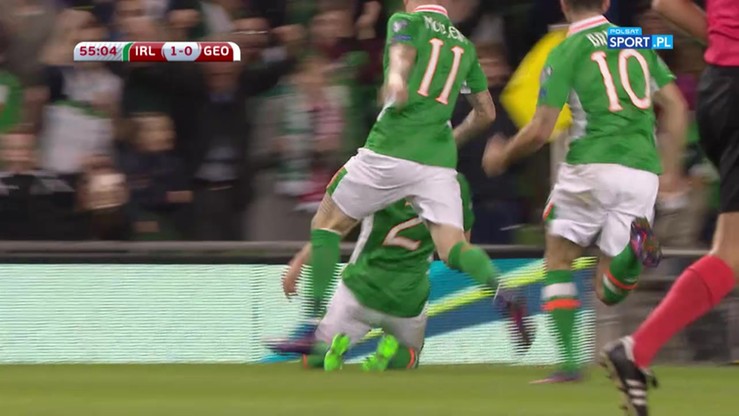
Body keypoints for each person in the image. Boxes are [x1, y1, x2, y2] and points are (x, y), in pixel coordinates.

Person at [481, 0, 688, 384]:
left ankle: (569, 365)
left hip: (590, 166)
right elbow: (676, 105)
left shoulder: (565, 50)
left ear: (563, 4)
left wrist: (502, 155)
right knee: (608, 289)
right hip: (642, 172)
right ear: (606, 3)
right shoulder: (635, 40)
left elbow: (540, 130)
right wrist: (671, 168)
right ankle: (633, 250)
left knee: (559, 257)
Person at [305, 1, 501, 338]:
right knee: (452, 247)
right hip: (437, 163)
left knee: (326, 224)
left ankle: (313, 323)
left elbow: (402, 55)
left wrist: (396, 78)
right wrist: (452, 138)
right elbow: (486, 113)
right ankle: (499, 287)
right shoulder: (465, 46)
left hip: (393, 148)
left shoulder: (407, 21)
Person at [600, 0, 739, 414]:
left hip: (717, 88)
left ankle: (636, 350)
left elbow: (665, 3)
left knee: (731, 250)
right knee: (729, 252)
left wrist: (724, 42)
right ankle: (636, 347)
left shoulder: (595, 43)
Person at [272, 174, 532, 371]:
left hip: (361, 290)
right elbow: (460, 246)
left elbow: (334, 229)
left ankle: (331, 347)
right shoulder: (454, 182)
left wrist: (299, 261)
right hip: (408, 302)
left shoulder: (375, 173)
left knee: (311, 360)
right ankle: (394, 353)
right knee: (410, 358)